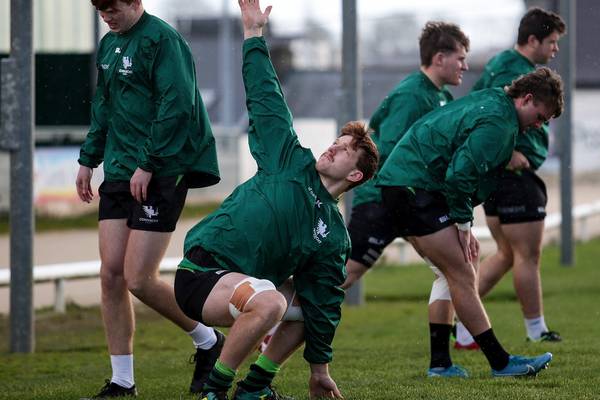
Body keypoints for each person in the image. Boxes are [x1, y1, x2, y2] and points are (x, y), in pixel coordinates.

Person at [173, 1, 379, 399]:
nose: (331, 150)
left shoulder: (333, 236)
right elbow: (267, 100)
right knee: (270, 303)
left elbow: (325, 304)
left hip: (245, 287)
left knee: (310, 309)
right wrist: (253, 36)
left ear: (355, 175)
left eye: (343, 151)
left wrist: (320, 371)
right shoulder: (289, 160)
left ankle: (255, 387)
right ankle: (214, 391)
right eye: (334, 143)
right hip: (201, 275)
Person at [376, 67, 564, 377]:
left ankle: (440, 364)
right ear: (526, 98)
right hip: (414, 188)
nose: (538, 126)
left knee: (451, 271)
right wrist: (463, 225)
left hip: (406, 185)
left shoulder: (494, 100)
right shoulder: (500, 122)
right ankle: (501, 363)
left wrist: (460, 223)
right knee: (462, 272)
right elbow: (460, 175)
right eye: (540, 117)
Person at [76, 0, 222, 397]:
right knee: (111, 275)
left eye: (113, 8)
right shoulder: (109, 45)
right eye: (100, 10)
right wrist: (88, 159)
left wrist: (150, 163)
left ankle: (208, 340)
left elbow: (176, 106)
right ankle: (123, 381)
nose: (107, 16)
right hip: (120, 170)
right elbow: (103, 106)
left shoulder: (163, 40)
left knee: (139, 278)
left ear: (136, 2)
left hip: (162, 169)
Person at [454, 7, 567, 349]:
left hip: (503, 175)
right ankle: (536, 330)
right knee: (526, 255)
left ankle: (461, 331)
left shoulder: (510, 64)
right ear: (532, 40)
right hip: (512, 174)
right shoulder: (511, 67)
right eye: (552, 42)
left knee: (505, 254)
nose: (555, 49)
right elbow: (489, 111)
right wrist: (508, 151)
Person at [343, 21, 469, 288]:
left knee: (454, 268)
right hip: (382, 198)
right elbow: (384, 153)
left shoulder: (442, 95)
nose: (465, 66)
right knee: (343, 276)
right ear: (439, 58)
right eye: (461, 59)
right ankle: (270, 312)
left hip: (410, 199)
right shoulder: (412, 96)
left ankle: (455, 331)